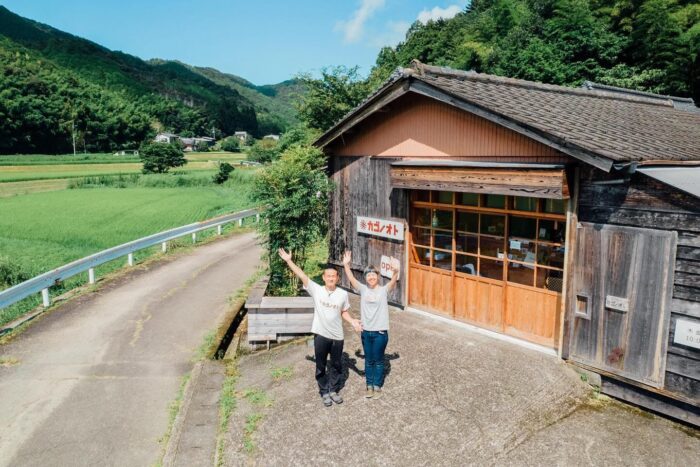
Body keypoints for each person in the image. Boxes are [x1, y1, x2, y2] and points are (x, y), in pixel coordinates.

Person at [278, 248, 361, 407]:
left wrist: (353, 322)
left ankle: (334, 390)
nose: (331, 278)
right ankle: (324, 391)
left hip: (337, 336)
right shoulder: (317, 290)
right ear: (323, 278)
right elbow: (301, 275)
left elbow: (343, 311)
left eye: (333, 276)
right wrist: (289, 260)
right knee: (321, 365)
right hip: (321, 335)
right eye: (328, 276)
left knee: (337, 365)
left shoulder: (342, 294)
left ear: (337, 278)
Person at [342, 251, 399, 399]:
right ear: (365, 278)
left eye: (374, 275)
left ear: (378, 277)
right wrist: (346, 264)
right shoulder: (362, 289)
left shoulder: (383, 290)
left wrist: (396, 271)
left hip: (380, 333)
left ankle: (377, 385)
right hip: (366, 331)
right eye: (368, 275)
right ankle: (369, 385)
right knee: (368, 359)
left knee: (379, 360)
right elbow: (351, 278)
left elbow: (393, 281)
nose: (371, 277)